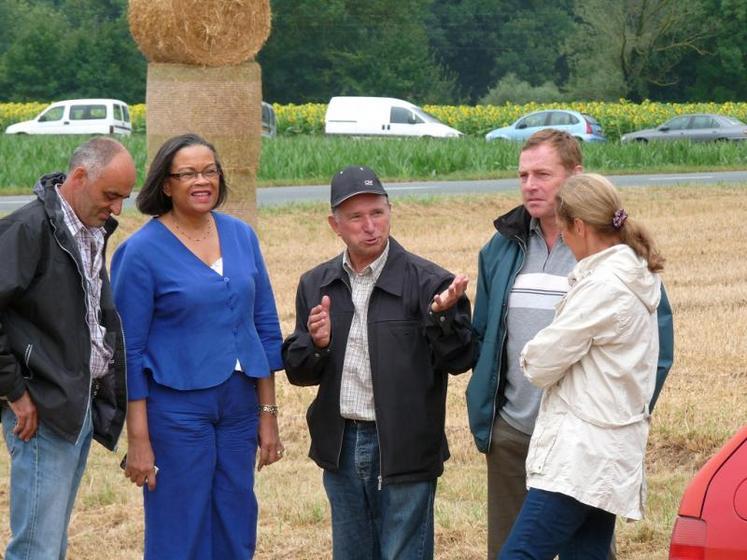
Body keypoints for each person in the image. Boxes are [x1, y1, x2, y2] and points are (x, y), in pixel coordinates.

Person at [466, 129, 674, 559]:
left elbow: (541, 362)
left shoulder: (603, 279)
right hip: (537, 433)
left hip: (578, 447)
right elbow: (485, 333)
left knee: (519, 554)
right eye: (523, 174)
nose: (530, 184)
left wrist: (616, 413)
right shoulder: (505, 247)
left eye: (542, 173)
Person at [282, 165, 474, 560]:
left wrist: (441, 318)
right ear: (334, 224)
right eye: (356, 217)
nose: (370, 226)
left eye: (378, 213)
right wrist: (316, 344)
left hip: (405, 447)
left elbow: (461, 359)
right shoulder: (315, 284)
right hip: (341, 445)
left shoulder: (429, 282)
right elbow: (299, 373)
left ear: (390, 211)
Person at [111, 133, 284, 559]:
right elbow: (128, 352)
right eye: (188, 173)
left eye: (210, 171)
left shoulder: (241, 236)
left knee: (236, 519)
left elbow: (262, 326)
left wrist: (268, 415)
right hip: (175, 411)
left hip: (240, 407)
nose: (202, 180)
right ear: (166, 184)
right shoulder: (140, 252)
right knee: (179, 527)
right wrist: (138, 438)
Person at [0, 137, 135, 559]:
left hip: (74, 406)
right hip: (41, 409)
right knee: (36, 547)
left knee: (52, 543)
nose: (117, 209)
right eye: (110, 195)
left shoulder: (89, 227)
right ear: (79, 176)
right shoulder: (28, 228)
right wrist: (15, 392)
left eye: (123, 198)